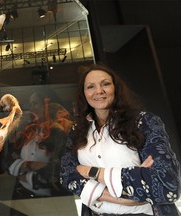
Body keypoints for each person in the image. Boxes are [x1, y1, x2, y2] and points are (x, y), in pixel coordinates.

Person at [60, 63, 181, 216]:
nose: (99, 91)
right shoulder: (77, 130)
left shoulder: (144, 122)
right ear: (84, 94)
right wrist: (128, 195)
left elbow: (167, 185)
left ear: (116, 88)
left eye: (105, 84)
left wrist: (92, 172)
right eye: (90, 87)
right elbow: (67, 176)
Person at [5, 89, 73, 205]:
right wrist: (31, 165)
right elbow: (8, 160)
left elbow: (61, 170)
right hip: (23, 197)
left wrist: (26, 175)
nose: (32, 108)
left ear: (48, 105)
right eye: (30, 104)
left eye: (35, 103)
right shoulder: (28, 128)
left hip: (54, 202)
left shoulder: (62, 130)